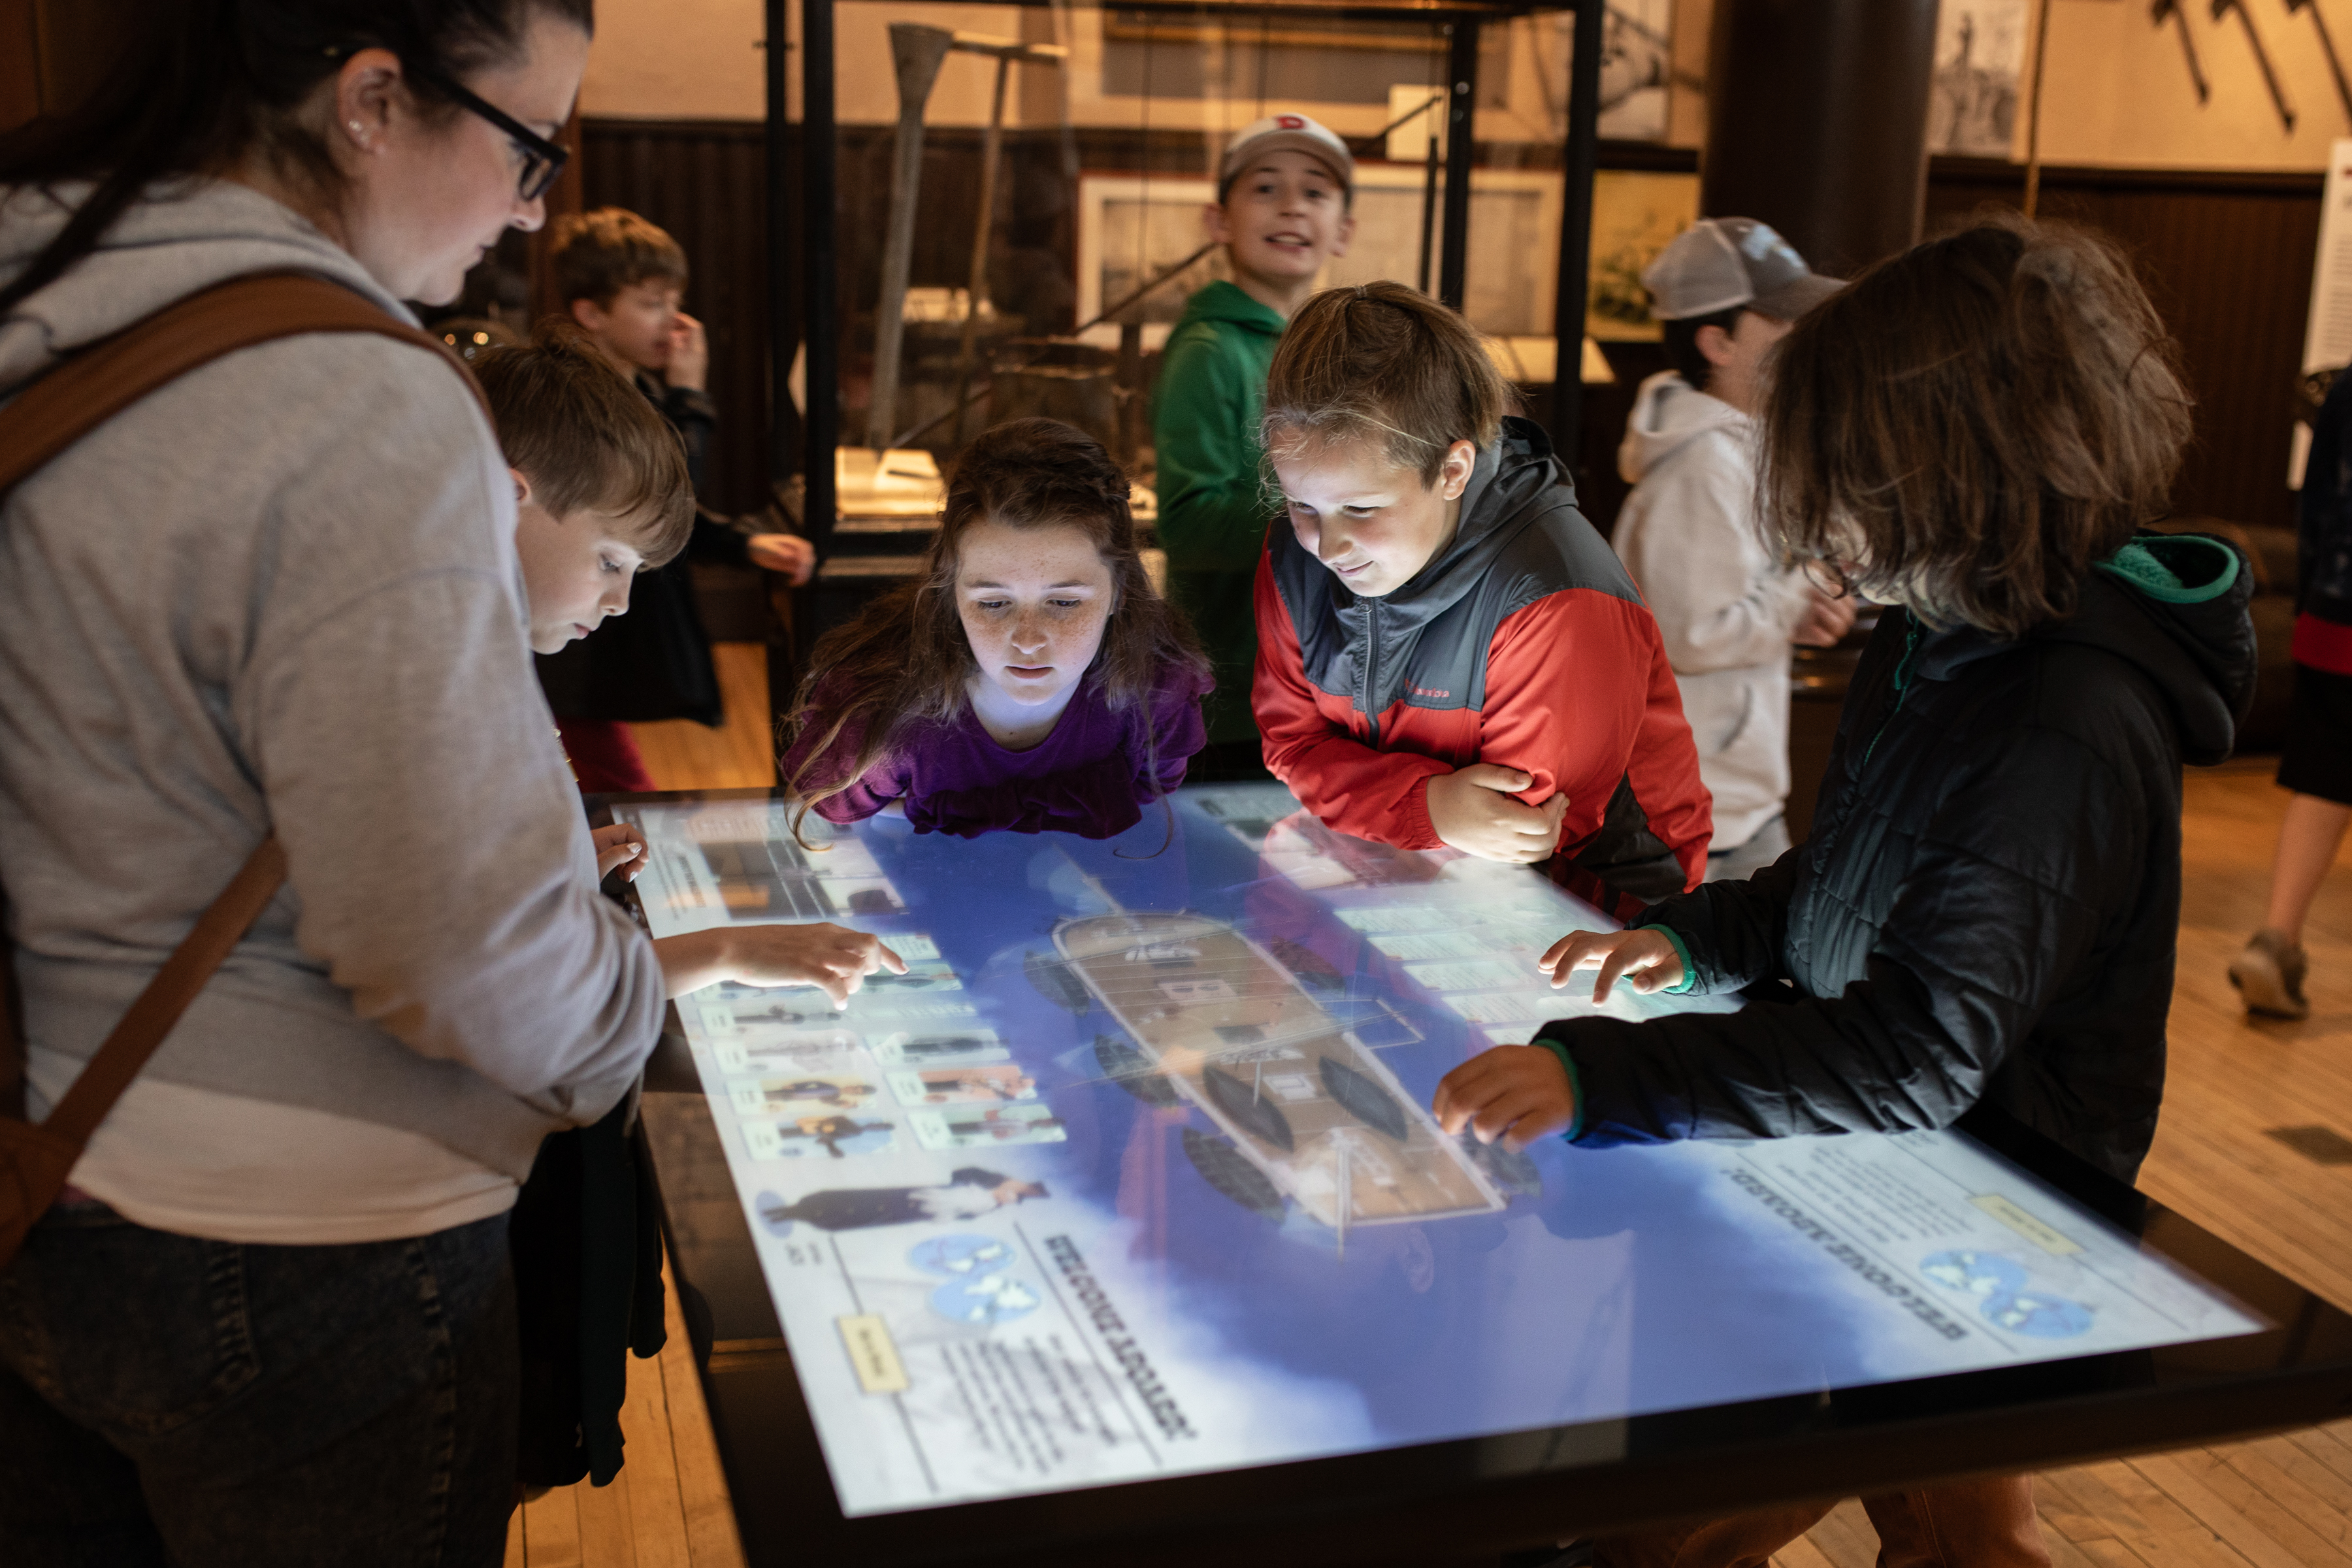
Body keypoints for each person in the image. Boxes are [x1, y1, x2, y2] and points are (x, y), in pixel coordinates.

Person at [1433, 218, 2249, 1567]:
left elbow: (1920, 1044)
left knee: (1766, 1512)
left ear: (1961, 468)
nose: (1816, 525)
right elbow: (1847, 870)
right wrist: (1694, 939)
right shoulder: (1941, 634)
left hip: (1983, 1190)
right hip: (1896, 1163)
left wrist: (1604, 1081)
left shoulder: (2064, 717)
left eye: (1843, 483)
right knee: (1947, 1519)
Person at [0, 4, 653, 1561]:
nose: (530, 209)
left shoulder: (38, 279)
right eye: (530, 147)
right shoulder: (361, 392)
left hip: (32, 1186)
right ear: (373, 99)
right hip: (298, 1249)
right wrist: (627, 1006)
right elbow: (455, 943)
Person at [474, 325, 904, 1005]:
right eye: (611, 562)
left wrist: (556, 865)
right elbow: (505, 990)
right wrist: (728, 949)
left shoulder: (480, 672)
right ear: (503, 499)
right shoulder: (446, 704)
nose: (619, 601)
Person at [1252, 280, 1712, 915]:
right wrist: (1433, 807)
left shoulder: (1555, 594)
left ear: (1453, 471)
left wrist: (1391, 801)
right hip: (1411, 876)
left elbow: (1514, 829)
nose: (1327, 547)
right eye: (1302, 503)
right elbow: (1290, 746)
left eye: (1362, 508)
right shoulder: (1289, 557)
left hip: (1599, 900)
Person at [781, 417, 1213, 841]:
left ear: (1121, 591)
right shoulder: (880, 716)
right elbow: (836, 813)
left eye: (1063, 602)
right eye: (994, 603)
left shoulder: (1158, 690)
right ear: (950, 593)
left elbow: (1153, 790)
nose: (1027, 640)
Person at [1611, 218, 1858, 881]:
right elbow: (1694, 636)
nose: (1802, 339)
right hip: (1693, 812)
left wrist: (1798, 605)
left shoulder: (1744, 449)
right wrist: (1797, 597)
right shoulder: (1700, 469)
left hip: (1732, 801)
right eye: (1781, 322)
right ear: (1716, 342)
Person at [536, 206, 814, 789]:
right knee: (611, 773)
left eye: (673, 301)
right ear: (591, 312)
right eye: (651, 303)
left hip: (598, 634)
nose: (676, 320)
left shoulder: (633, 384)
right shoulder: (585, 394)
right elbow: (660, 498)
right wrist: (689, 398)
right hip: (573, 630)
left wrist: (745, 543)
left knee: (601, 765)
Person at [1153, 113, 1358, 779]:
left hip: (1323, 689)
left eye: (1316, 192)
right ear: (1219, 221)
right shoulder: (1209, 351)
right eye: (1266, 188)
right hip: (1237, 705)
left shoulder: (1338, 350)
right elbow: (1188, 526)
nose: (1292, 206)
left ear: (1345, 230)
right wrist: (1335, 520)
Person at [2230, 366, 2352, 1017]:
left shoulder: (2348, 389)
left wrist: (2314, 609)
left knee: (2324, 781)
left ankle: (2277, 939)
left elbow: (2317, 510)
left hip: (2338, 618)